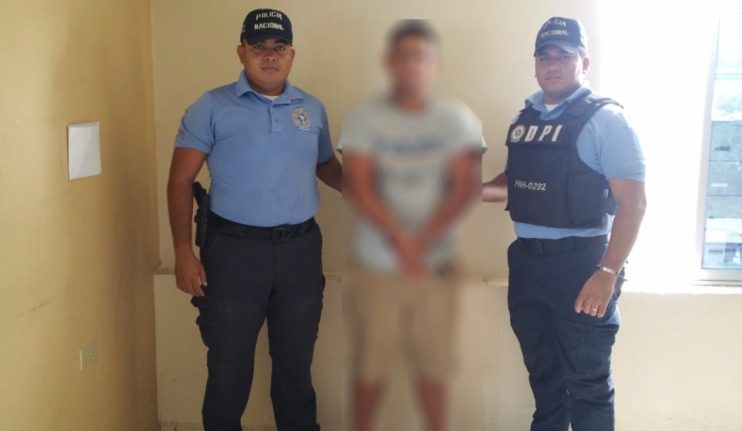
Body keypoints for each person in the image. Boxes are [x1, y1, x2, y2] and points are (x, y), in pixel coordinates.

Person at [166, 8, 342, 431]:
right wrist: (182, 253)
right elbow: (180, 180)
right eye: (259, 46)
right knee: (228, 371)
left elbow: (325, 165)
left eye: (279, 47)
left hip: (300, 251)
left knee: (296, 367)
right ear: (241, 52)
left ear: (291, 54)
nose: (269, 55)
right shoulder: (211, 106)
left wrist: (371, 191)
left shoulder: (311, 109)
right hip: (234, 254)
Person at [482, 17, 647, 431]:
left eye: (563, 55)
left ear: (583, 62)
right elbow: (516, 182)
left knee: (588, 385)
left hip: (581, 265)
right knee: (544, 377)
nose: (552, 64)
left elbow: (633, 203)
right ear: (535, 64)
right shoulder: (527, 117)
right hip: (527, 264)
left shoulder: (607, 120)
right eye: (544, 56)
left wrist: (607, 273)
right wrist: (473, 190)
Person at [339, 19, 484, 431]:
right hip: (376, 268)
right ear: (389, 62)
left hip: (435, 268)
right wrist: (400, 239)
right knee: (368, 371)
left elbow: (464, 187)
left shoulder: (456, 119)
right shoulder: (363, 117)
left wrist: (422, 240)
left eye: (420, 57)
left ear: (435, 63)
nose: (412, 64)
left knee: (435, 371)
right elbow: (358, 185)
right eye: (403, 56)